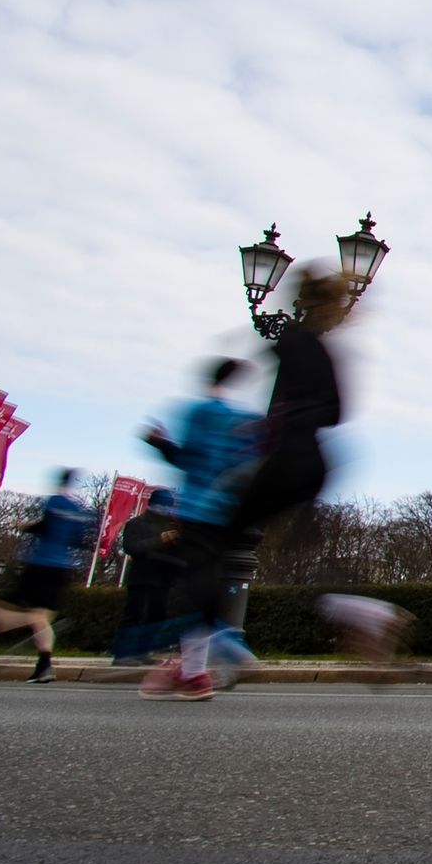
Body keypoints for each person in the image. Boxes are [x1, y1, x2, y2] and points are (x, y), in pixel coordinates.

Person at [147, 273, 349, 702]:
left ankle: (213, 653)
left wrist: (273, 425)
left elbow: (194, 457)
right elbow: (335, 411)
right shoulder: (321, 348)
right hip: (315, 464)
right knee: (281, 559)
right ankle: (204, 661)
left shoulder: (290, 345)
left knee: (206, 568)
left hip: (241, 485)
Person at [0, 469, 97, 683]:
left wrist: (24, 526)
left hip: (41, 564)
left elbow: (44, 526)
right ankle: (44, 666)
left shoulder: (54, 502)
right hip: (63, 568)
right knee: (42, 618)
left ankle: (25, 625)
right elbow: (80, 540)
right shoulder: (79, 510)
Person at [110, 488, 181, 666]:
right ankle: (122, 654)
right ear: (153, 504)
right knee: (133, 615)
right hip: (141, 576)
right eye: (163, 505)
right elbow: (131, 547)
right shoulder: (136, 523)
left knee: (156, 616)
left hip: (163, 577)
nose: (166, 509)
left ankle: (142, 651)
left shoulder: (171, 525)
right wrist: (160, 539)